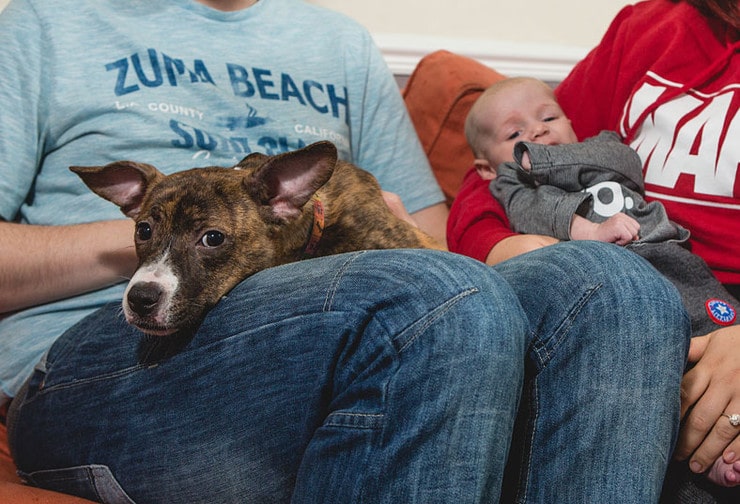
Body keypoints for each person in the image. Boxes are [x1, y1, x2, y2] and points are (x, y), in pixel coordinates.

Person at [0, 1, 690, 503]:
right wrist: (186, 238)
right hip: (109, 362)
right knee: (430, 296)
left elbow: (431, 241)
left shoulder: (338, 42)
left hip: (341, 329)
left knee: (616, 287)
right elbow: (429, 288)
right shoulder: (45, 23)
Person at [449, 0, 740, 500]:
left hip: (711, 299)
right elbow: (509, 171)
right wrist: (502, 248)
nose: (535, 132)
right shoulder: (650, 27)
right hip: (614, 291)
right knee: (623, 291)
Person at [466, 76, 738, 340]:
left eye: (549, 118)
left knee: (721, 323)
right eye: (515, 133)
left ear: (570, 123)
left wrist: (543, 158)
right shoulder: (513, 185)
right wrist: (592, 232)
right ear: (487, 169)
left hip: (663, 250)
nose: (538, 130)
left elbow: (626, 164)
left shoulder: (600, 145)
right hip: (608, 279)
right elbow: (534, 212)